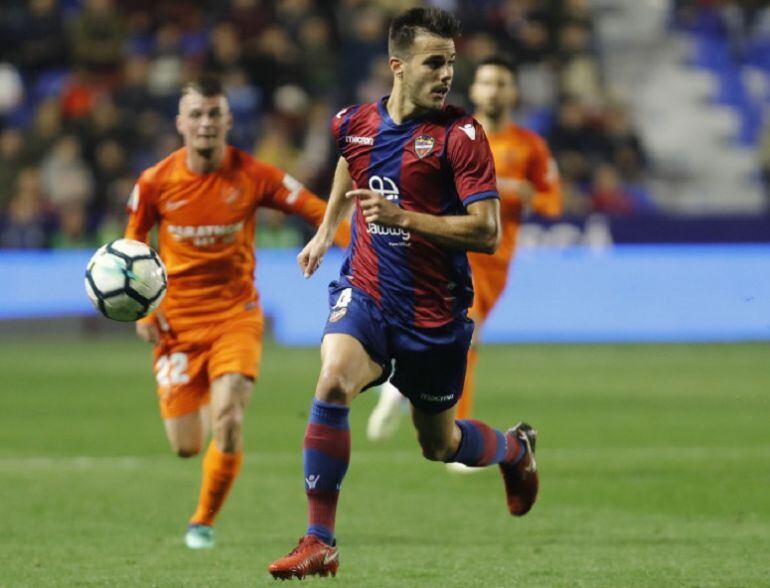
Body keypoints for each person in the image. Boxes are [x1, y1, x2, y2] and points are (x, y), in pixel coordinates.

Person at [267, 8, 539, 580]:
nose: (446, 74)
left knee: (439, 444)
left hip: (434, 314)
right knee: (332, 380)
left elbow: (487, 232)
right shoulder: (352, 122)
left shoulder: (461, 137)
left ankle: (514, 449)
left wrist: (402, 217)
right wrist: (326, 229)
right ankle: (320, 540)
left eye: (451, 63)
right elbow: (351, 161)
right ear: (397, 65)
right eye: (433, 63)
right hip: (367, 289)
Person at [124, 76, 348, 550]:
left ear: (228, 121)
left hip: (235, 315)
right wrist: (144, 311)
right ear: (181, 123)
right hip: (177, 322)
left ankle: (202, 521)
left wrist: (361, 242)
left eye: (214, 114)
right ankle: (213, 398)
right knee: (186, 446)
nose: (205, 123)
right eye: (197, 114)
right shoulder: (155, 182)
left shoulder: (254, 175)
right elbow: (133, 243)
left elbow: (316, 209)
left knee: (227, 420)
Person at [366, 57, 562, 469]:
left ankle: (400, 388)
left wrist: (523, 193)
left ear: (513, 92)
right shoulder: (454, 134)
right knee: (464, 338)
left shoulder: (530, 146)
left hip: (495, 259)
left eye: (501, 83)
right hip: (448, 247)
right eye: (486, 82)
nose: (493, 90)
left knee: (456, 338)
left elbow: (552, 202)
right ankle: (453, 431)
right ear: (473, 90)